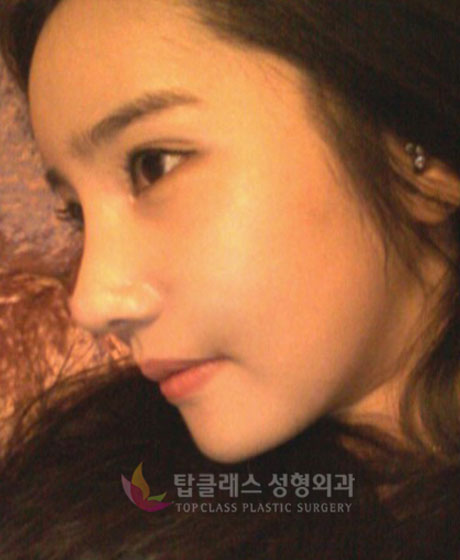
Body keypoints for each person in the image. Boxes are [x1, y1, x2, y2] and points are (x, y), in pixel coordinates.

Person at [0, 0, 459, 558]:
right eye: (77, 213)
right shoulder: (96, 489)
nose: (91, 302)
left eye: (154, 165)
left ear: (420, 155)